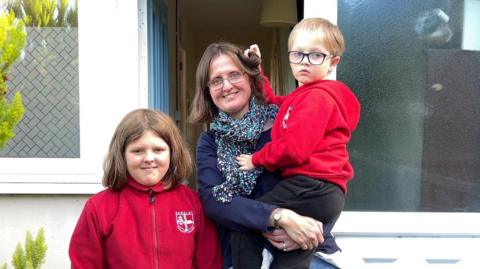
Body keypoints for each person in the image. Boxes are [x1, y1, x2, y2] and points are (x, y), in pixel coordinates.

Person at [189, 41, 341, 269]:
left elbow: (324, 183)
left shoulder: (288, 122)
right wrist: (279, 217)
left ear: (250, 77)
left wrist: (304, 229)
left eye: (234, 74)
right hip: (244, 256)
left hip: (305, 249)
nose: (227, 85)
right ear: (208, 91)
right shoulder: (209, 142)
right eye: (216, 80)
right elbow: (215, 202)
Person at [235, 18, 361, 268]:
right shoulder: (303, 96)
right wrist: (258, 71)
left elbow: (294, 150)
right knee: (290, 255)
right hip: (326, 192)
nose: (304, 62)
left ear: (333, 62)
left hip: (311, 186)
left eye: (315, 55)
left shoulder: (317, 99)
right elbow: (274, 102)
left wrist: (255, 160)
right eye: (298, 54)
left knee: (246, 220)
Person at [69, 108, 222, 269]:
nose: (149, 158)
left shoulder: (194, 204)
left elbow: (210, 263)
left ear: (172, 152)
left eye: (158, 150)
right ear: (122, 154)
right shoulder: (98, 208)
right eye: (137, 151)